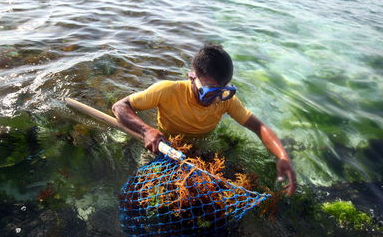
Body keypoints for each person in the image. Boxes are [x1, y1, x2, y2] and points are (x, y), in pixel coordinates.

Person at [112, 43, 297, 196]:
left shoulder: (227, 101)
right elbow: (120, 106)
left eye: (222, 92)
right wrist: (146, 130)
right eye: (210, 92)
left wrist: (282, 156)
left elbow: (259, 126)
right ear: (192, 77)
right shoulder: (167, 90)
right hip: (163, 144)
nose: (217, 100)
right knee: (150, 190)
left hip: (201, 148)